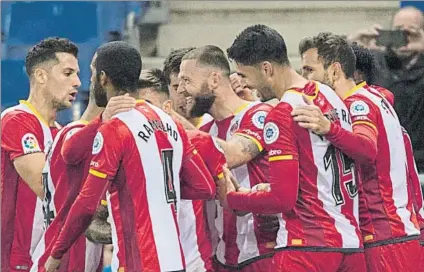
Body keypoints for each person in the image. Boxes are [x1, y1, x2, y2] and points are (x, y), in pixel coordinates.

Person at [44, 41, 217, 272]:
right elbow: (205, 188)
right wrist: (150, 188)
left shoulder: (115, 128)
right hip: (176, 261)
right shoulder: (168, 121)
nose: (92, 80)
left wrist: (56, 255)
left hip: (138, 262)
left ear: (103, 78)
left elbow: (86, 205)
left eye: (94, 74)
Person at [224, 24, 365, 271]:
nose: (246, 86)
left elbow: (282, 199)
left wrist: (234, 199)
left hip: (307, 246)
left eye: (245, 76)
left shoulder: (283, 113)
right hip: (351, 246)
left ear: (266, 69)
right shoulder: (330, 95)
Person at [297, 31, 420, 272]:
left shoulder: (357, 104)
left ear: (334, 71)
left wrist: (328, 128)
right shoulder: (375, 96)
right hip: (395, 232)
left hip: (385, 233)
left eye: (310, 70)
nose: (305, 80)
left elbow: (366, 149)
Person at [30, 52, 136, 271]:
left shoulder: (113, 137)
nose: (77, 81)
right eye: (69, 73)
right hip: (62, 257)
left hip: (79, 256)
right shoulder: (72, 132)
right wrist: (102, 120)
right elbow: (70, 152)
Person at [178, 45, 277, 271]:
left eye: (186, 80)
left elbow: (233, 154)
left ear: (214, 79)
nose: (181, 90)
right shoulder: (207, 129)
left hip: (261, 255)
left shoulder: (258, 114)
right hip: (223, 258)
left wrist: (171, 123)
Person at [1, 37, 80, 271]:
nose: (77, 82)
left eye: (77, 74)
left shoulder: (62, 133)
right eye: (68, 73)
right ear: (41, 76)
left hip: (48, 259)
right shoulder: (16, 120)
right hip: (14, 261)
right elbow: (47, 187)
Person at [139, 68, 228, 271]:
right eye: (136, 108)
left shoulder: (201, 142)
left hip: (193, 260)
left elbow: (229, 196)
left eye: (149, 106)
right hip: (146, 262)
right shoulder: (123, 148)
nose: (143, 115)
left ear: (167, 107)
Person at [348, 6, 424, 173]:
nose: (404, 37)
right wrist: (351, 45)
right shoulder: (374, 63)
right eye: (397, 31)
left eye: (411, 31)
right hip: (385, 162)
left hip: (420, 161)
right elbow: (334, 75)